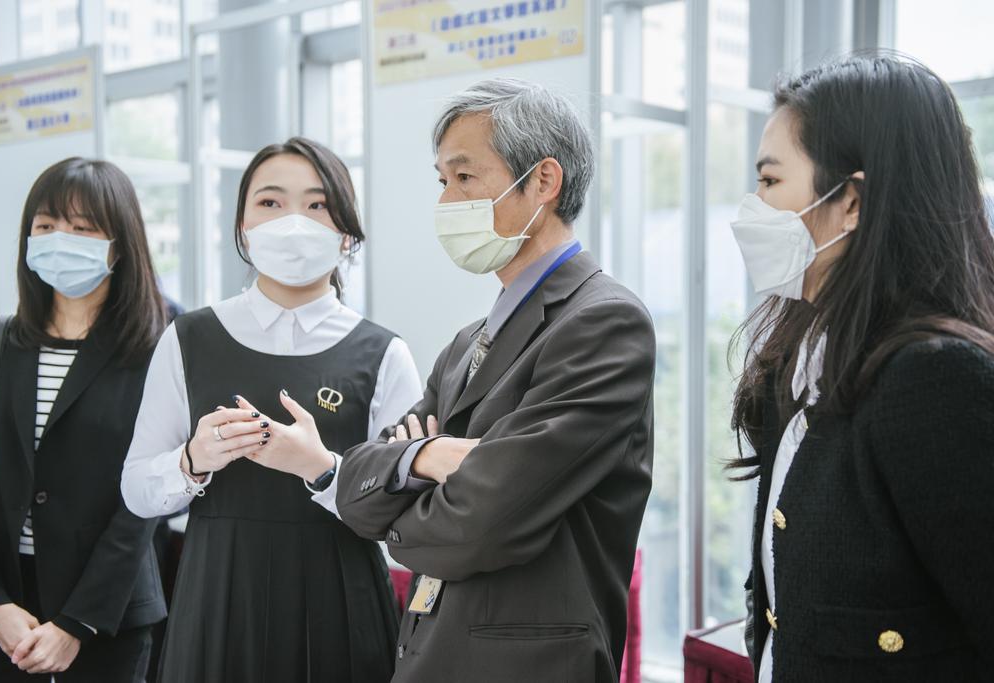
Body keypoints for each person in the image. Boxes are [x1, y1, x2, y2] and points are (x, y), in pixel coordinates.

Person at [336, 78, 656, 683]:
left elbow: (481, 526)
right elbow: (355, 486)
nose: (447, 199)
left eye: (464, 176)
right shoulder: (467, 342)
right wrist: (427, 456)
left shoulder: (603, 322)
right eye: (441, 181)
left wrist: (398, 508)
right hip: (430, 655)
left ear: (543, 181)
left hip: (527, 664)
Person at [728, 55, 994, 681]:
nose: (752, 207)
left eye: (770, 181)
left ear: (851, 201)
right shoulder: (802, 354)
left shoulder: (934, 380)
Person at [120, 136, 422, 683]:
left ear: (347, 232)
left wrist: (324, 470)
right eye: (270, 202)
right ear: (242, 226)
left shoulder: (383, 354)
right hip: (218, 598)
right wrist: (192, 460)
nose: (293, 222)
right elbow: (137, 490)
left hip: (341, 600)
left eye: (317, 204)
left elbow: (410, 525)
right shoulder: (188, 338)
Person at [0, 158, 171, 681]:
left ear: (120, 245)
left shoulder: (160, 352)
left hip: (107, 614)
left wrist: (77, 621)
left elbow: (144, 503)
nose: (61, 240)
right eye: (46, 226)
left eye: (83, 228)